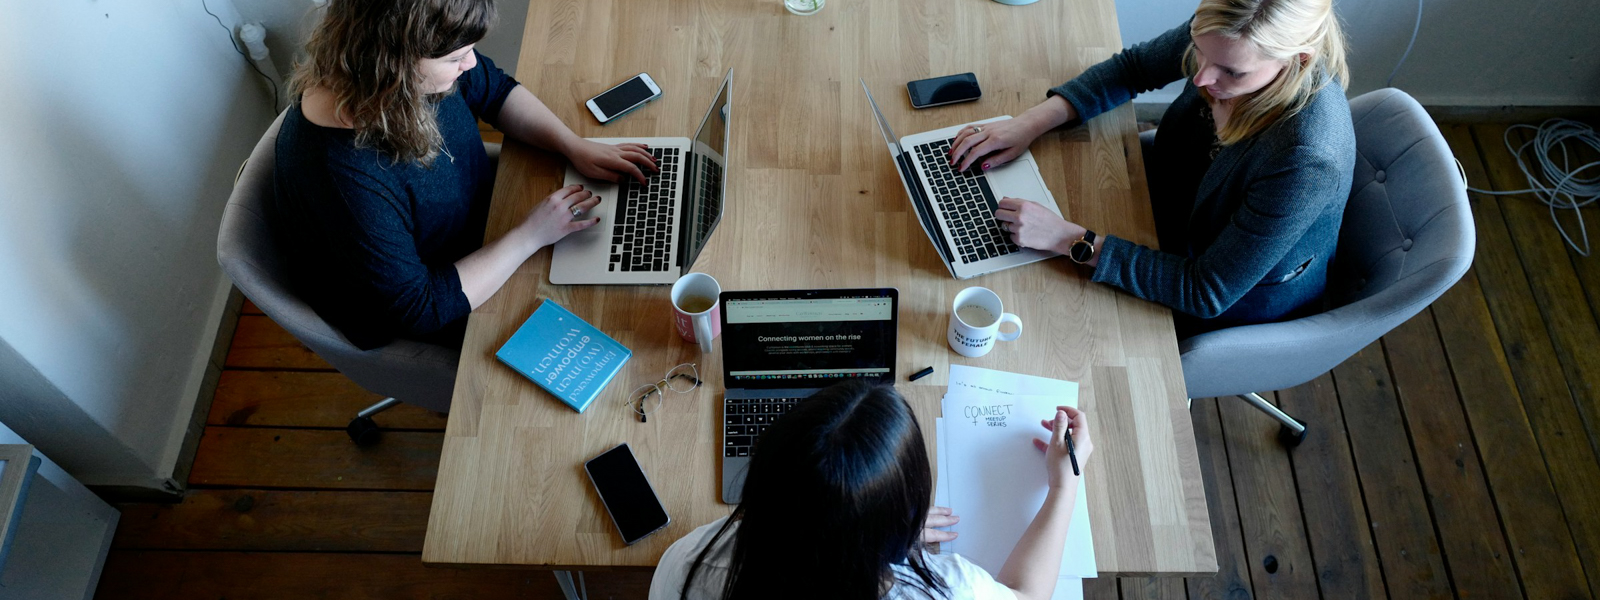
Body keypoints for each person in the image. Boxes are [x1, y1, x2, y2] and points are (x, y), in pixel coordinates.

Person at [949, 0, 1356, 337]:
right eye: (1200, 50)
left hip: (1220, 295)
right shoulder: (1226, 33)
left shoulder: (1305, 158)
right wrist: (1029, 123)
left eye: (1231, 72)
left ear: (1298, 59)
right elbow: (1135, 69)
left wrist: (1068, 238)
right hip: (1166, 204)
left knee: (1053, 326)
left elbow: (1205, 290)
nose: (1201, 76)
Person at [274, 0, 657, 350]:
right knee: (615, 320)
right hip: (444, 295)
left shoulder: (395, 77)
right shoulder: (343, 179)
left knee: (623, 270)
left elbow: (493, 90)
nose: (470, 64)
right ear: (392, 61)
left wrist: (572, 144)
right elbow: (418, 308)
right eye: (457, 57)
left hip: (488, 221)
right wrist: (529, 236)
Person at [648, 380, 1094, 600]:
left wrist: (854, 528)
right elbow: (1025, 595)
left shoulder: (686, 564)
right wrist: (1062, 485)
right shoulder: (945, 590)